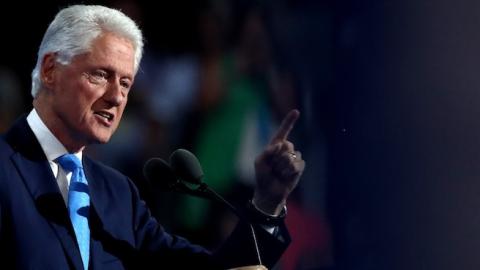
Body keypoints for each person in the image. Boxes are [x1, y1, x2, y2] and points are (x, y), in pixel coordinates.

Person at [0, 5, 305, 270]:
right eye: (101, 75)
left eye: (125, 83)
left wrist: (267, 201)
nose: (116, 97)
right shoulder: (5, 170)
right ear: (51, 70)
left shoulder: (119, 194)